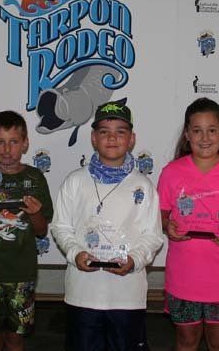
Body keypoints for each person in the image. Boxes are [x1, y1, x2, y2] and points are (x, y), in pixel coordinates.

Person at [50, 100, 163, 351]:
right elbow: (61, 227)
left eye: (120, 132)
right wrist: (75, 253)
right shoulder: (75, 181)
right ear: (93, 138)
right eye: (104, 132)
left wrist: (134, 259)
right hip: (83, 294)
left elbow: (153, 236)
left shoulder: (144, 186)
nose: (112, 138)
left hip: (127, 297)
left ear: (132, 139)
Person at [157, 98, 219, 351]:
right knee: (186, 341)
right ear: (187, 134)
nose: (204, 138)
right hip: (183, 277)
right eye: (197, 130)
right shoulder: (171, 172)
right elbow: (160, 214)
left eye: (211, 130)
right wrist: (167, 225)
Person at [0, 111, 53, 351]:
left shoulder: (35, 177)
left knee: (16, 338)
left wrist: (35, 213)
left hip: (22, 273)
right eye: (0, 142)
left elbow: (41, 230)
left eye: (14, 141)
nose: (7, 150)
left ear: (25, 143)